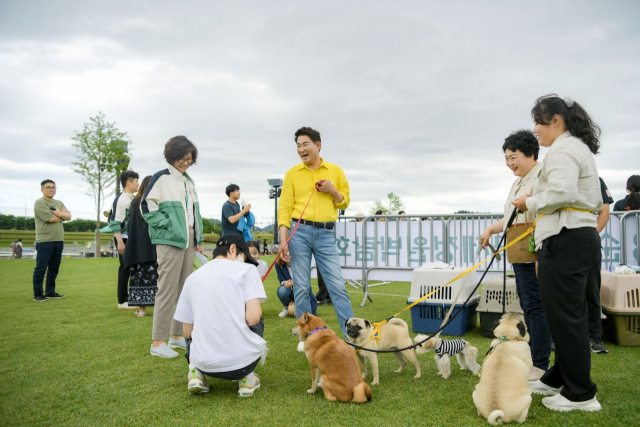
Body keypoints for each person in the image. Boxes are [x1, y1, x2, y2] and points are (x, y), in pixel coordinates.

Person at [513, 94, 603, 412]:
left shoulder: (564, 149)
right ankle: (558, 378)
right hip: (572, 236)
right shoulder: (570, 147)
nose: (535, 129)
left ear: (556, 120)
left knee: (567, 317)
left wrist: (529, 202)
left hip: (567, 237)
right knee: (562, 313)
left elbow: (563, 191)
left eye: (538, 122)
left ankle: (581, 393)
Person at [480, 130, 552, 382]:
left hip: (534, 251)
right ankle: (535, 357)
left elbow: (546, 212)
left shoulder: (542, 175)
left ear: (531, 154)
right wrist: (490, 229)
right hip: (519, 252)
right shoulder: (519, 180)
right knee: (528, 304)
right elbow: (511, 216)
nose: (510, 163)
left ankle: (541, 363)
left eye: (514, 157)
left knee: (536, 306)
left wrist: (540, 259)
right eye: (507, 158)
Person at [278, 126, 354, 336]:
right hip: (298, 233)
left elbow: (344, 202)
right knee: (301, 287)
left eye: (305, 144)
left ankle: (351, 337)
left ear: (318, 145)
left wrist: (332, 190)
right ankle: (308, 337)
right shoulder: (292, 174)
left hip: (326, 234)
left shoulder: (335, 171)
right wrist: (283, 240)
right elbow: (284, 208)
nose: (301, 149)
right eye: (298, 146)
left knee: (337, 286)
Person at [174, 235, 267, 397]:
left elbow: (187, 332)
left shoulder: (192, 278)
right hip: (242, 365)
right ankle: (247, 378)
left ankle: (196, 374)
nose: (244, 262)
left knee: (195, 330)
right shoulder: (248, 270)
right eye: (244, 257)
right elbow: (253, 318)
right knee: (259, 320)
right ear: (233, 249)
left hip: (203, 364)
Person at [142, 136, 205, 358]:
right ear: (171, 156)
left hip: (188, 239)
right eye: (182, 158)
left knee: (184, 290)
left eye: (189, 159)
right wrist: (168, 226)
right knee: (167, 289)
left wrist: (198, 239)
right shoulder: (162, 177)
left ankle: (176, 336)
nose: (185, 162)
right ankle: (158, 342)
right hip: (170, 239)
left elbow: (194, 213)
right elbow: (146, 206)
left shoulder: (189, 181)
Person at [586, 177, 614, 354]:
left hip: (588, 245)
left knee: (591, 290)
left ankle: (594, 337)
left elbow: (604, 212)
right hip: (560, 245)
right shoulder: (558, 173)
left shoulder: (595, 180)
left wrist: (589, 235)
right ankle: (557, 338)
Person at [124, 176, 157, 317]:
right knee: (157, 277)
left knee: (139, 277)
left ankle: (142, 310)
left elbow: (130, 226)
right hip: (154, 246)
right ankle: (158, 310)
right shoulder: (155, 203)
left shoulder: (135, 202)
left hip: (137, 247)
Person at [32, 179, 71, 302]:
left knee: (54, 268)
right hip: (45, 241)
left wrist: (59, 214)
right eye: (48, 187)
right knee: (41, 268)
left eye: (53, 187)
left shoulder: (58, 202)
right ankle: (38, 294)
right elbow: (50, 219)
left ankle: (50, 291)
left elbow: (69, 216)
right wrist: (61, 215)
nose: (51, 189)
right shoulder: (40, 203)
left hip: (58, 240)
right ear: (42, 189)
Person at [109, 170, 140, 310]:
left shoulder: (130, 198)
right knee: (124, 268)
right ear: (129, 182)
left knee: (130, 269)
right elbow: (115, 221)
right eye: (136, 181)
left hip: (130, 238)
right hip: (124, 238)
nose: (138, 184)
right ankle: (122, 301)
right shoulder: (121, 199)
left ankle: (129, 298)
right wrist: (120, 241)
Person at [275, 251, 317, 318]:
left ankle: (299, 307)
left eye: (289, 251)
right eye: (285, 252)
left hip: (301, 286)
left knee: (310, 312)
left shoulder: (301, 262)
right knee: (282, 291)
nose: (287, 254)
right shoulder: (278, 264)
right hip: (288, 288)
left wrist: (295, 281)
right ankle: (286, 308)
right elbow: (280, 277)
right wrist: (285, 283)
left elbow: (305, 277)